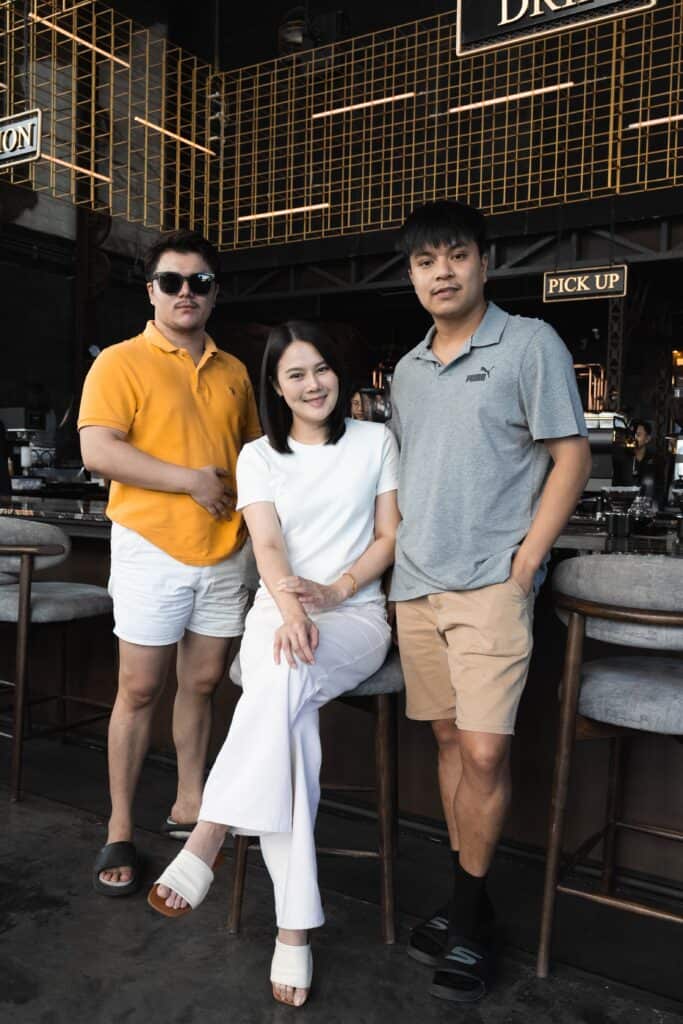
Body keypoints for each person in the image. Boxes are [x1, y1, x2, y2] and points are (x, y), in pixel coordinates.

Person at [148, 321, 400, 1008]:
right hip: (279, 612)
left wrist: (335, 593)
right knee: (290, 715)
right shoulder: (258, 455)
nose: (312, 383)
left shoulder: (376, 442)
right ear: (276, 386)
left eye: (320, 368)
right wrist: (291, 611)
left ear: (336, 373)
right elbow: (266, 543)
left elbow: (387, 537)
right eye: (295, 374)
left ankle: (210, 831)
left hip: (353, 616)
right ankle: (293, 931)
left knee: (282, 686)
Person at [390, 200, 591, 1003]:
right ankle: (464, 904)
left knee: (482, 753)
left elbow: (569, 459)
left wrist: (527, 562)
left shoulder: (529, 344)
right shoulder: (405, 369)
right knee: (445, 743)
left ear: (484, 262)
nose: (441, 272)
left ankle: (471, 920)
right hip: (416, 585)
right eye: (423, 261)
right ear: (410, 275)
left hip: (490, 587)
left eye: (455, 256)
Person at [78, 229, 261, 897]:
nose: (187, 292)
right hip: (150, 548)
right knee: (139, 690)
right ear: (151, 291)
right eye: (173, 282)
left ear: (213, 293)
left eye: (200, 282)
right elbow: (99, 450)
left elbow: (254, 459)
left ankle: (190, 803)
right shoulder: (121, 362)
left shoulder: (234, 370)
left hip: (222, 551)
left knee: (203, 684)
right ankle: (119, 824)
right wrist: (188, 480)